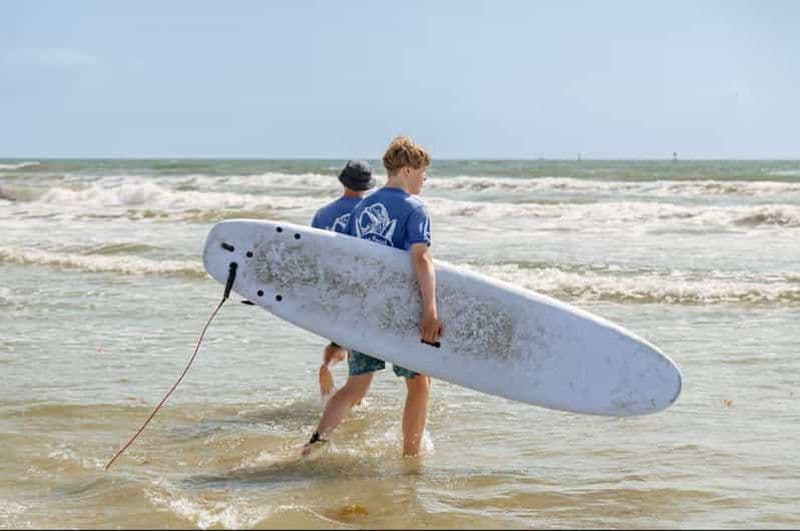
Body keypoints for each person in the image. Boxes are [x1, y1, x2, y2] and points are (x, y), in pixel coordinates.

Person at [303, 136, 442, 457]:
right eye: (422, 171)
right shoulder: (415, 208)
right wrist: (430, 310)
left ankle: (313, 446)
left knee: (356, 385)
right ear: (407, 170)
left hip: (363, 312)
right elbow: (421, 259)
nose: (425, 178)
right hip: (398, 313)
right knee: (419, 382)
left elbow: (350, 261)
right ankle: (411, 457)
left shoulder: (362, 207)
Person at [310, 160, 376, 402]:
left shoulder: (322, 213)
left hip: (331, 288)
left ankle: (328, 364)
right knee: (358, 349)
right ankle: (353, 399)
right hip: (360, 289)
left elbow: (314, 252)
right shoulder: (369, 214)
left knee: (338, 338)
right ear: (367, 186)